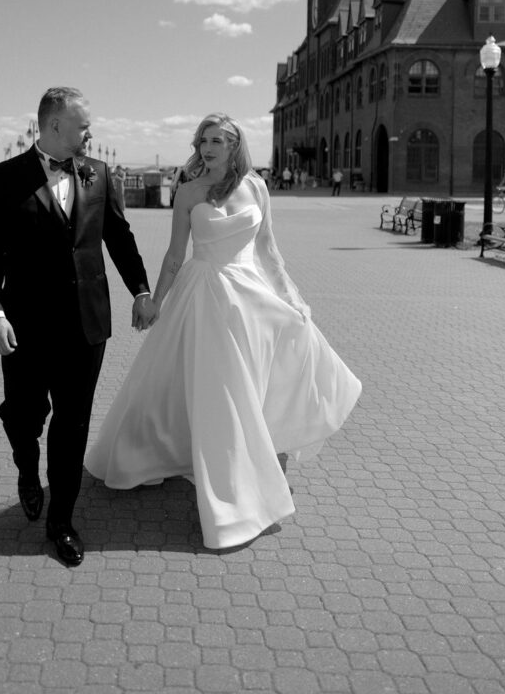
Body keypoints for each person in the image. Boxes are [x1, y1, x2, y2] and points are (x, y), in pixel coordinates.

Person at [85, 113, 362, 550]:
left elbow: (269, 250)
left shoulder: (255, 186)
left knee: (252, 383)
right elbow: (176, 255)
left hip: (251, 300)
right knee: (220, 392)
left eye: (218, 140)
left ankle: (261, 457)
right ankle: (231, 490)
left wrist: (292, 298)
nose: (209, 147)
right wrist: (154, 300)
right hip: (205, 297)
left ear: (235, 145)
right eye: (204, 140)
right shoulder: (188, 191)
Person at [0, 86, 156, 567]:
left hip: (86, 324)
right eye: (83, 124)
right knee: (23, 414)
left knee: (72, 423)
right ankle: (26, 469)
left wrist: (140, 288)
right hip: (26, 325)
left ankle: (62, 522)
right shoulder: (4, 178)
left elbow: (118, 234)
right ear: (54, 125)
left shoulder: (99, 174)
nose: (90, 132)